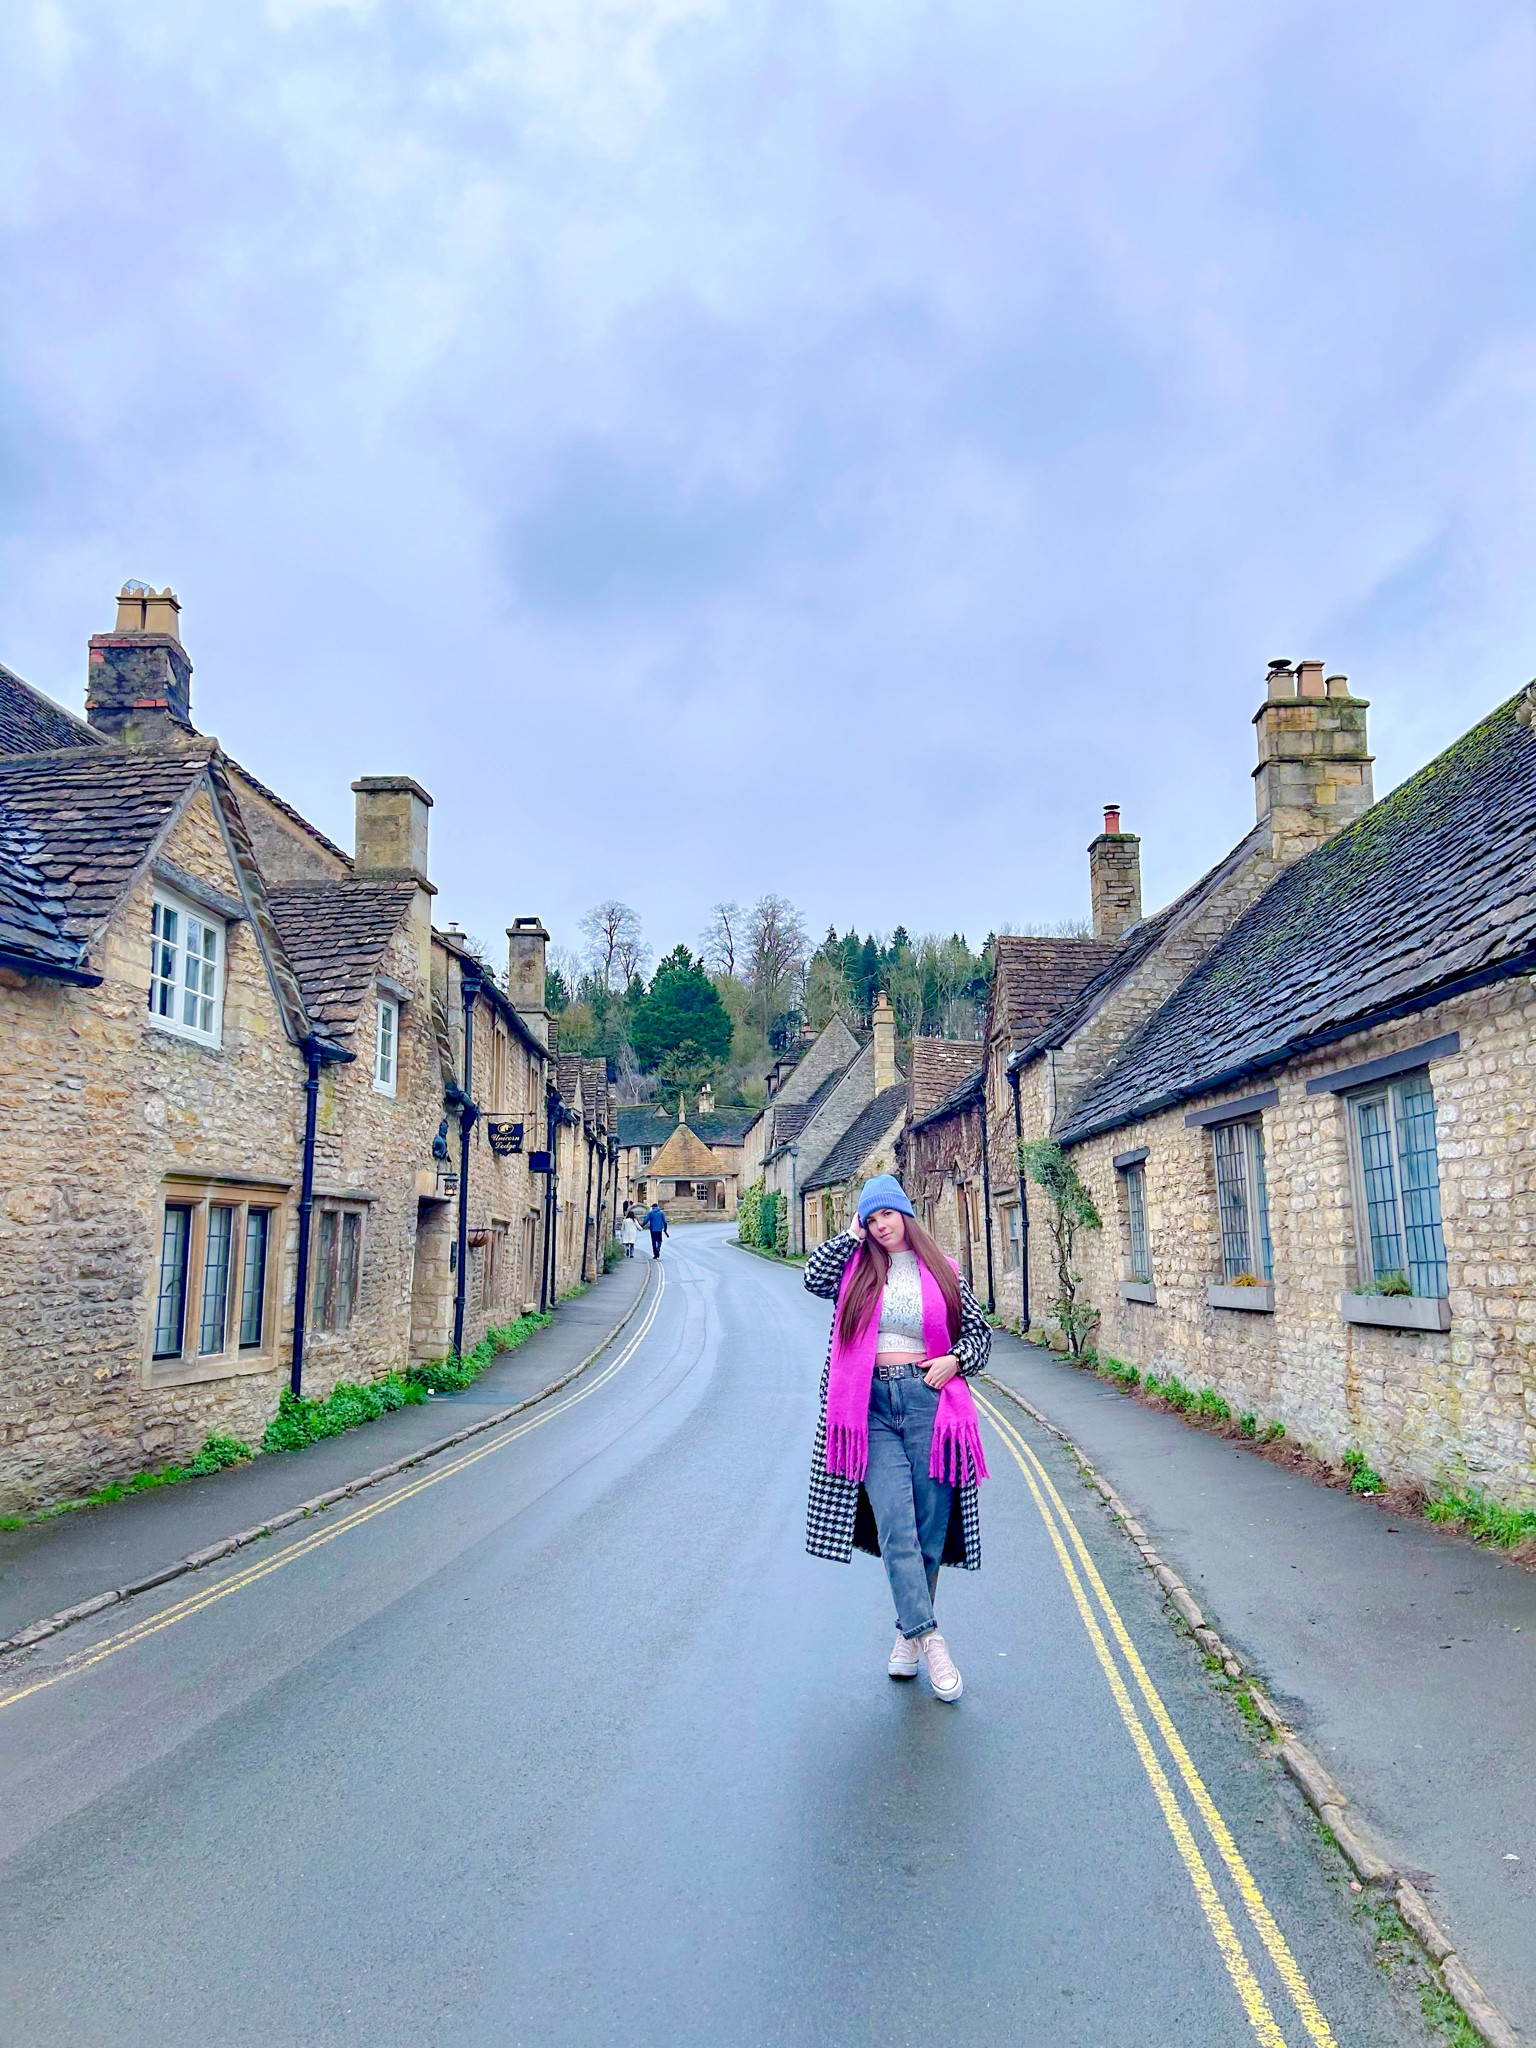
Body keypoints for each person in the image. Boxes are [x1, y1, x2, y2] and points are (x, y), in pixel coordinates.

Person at [804, 1173, 990, 1702]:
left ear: (905, 1215)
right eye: (871, 1216)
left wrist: (954, 1360)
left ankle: (905, 1637)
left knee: (930, 1531)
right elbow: (811, 1277)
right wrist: (851, 1237)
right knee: (895, 1527)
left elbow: (980, 1336)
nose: (880, 1224)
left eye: (887, 1214)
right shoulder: (853, 1267)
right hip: (869, 1410)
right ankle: (932, 1641)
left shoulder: (944, 1271)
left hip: (929, 1403)